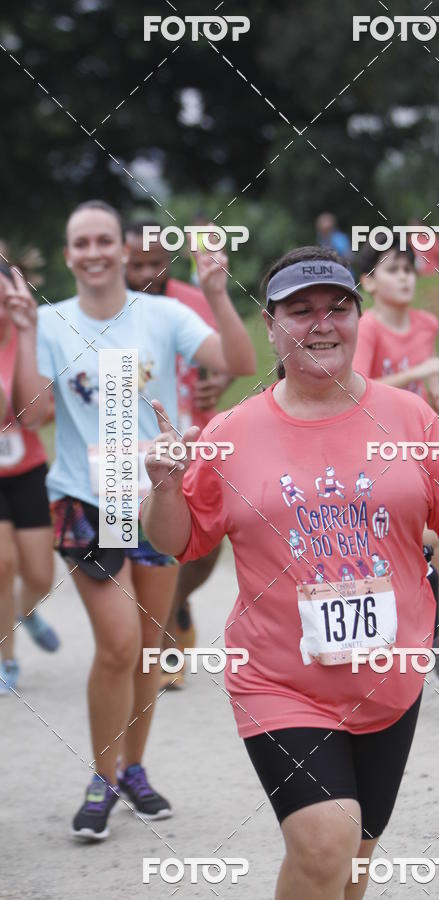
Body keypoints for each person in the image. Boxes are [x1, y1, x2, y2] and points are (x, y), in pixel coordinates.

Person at [142, 246, 439, 900]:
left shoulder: (409, 418)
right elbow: (180, 541)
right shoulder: (231, 432)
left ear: (357, 316)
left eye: (337, 307)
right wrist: (167, 490)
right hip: (280, 681)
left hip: (389, 673)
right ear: (271, 324)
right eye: (301, 310)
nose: (322, 323)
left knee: (353, 861)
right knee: (326, 839)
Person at [3, 200, 255, 840]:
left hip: (155, 496)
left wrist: (217, 293)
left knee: (149, 645)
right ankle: (102, 776)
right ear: (67, 255)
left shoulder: (165, 314)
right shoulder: (52, 323)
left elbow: (241, 361)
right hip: (83, 500)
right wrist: (26, 332)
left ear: (122, 249)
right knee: (117, 643)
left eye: (103, 241)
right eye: (80, 242)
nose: (92, 252)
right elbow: (32, 417)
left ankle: (134, 768)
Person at [124, 220, 233, 689]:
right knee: (151, 541)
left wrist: (222, 380)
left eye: (156, 263)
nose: (147, 272)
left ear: (170, 261)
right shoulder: (111, 309)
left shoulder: (192, 302)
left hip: (196, 432)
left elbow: (229, 355)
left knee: (208, 544)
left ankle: (176, 603)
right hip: (134, 440)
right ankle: (160, 637)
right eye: (137, 264)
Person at [353, 242, 439, 683]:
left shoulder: (426, 322)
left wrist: (435, 391)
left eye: (409, 269)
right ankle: (385, 637)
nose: (404, 277)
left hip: (419, 442)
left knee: (432, 540)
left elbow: (428, 372)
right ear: (369, 282)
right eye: (393, 270)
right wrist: (419, 375)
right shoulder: (366, 326)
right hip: (372, 446)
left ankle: (431, 636)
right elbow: (358, 386)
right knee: (393, 542)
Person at [0, 263, 58, 698]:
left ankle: (25, 610)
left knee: (40, 573)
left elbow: (36, 413)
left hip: (27, 468)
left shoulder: (27, 337)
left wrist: (24, 331)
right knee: (2, 565)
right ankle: (7, 658)